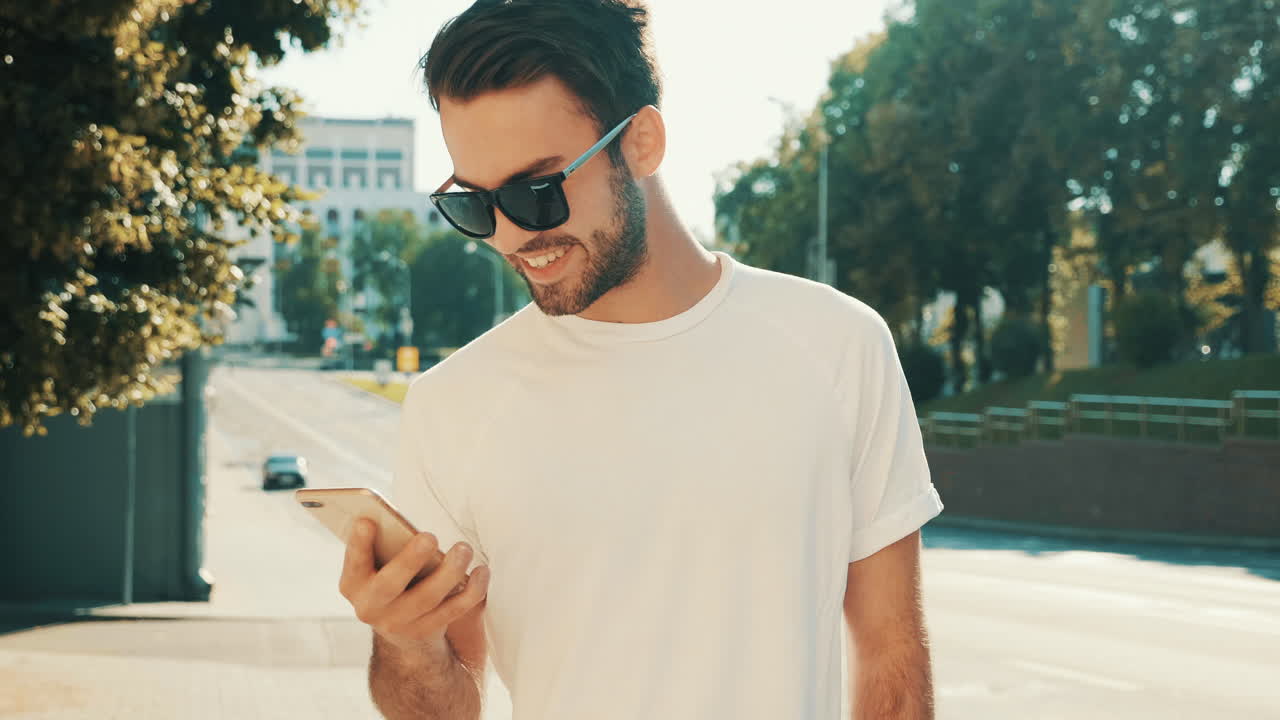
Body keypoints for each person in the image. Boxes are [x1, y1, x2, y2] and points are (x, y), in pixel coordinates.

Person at [338, 1, 945, 718]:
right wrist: (406, 644)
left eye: (536, 193)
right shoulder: (454, 405)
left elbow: (891, 663)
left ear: (643, 143)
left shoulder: (838, 347)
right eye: (476, 204)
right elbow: (450, 704)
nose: (508, 236)